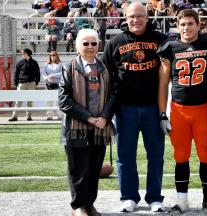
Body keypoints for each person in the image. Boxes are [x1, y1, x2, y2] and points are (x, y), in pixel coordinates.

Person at [101, 2, 168, 213]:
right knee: (125, 156)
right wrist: (107, 110)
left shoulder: (161, 40)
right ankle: (128, 197)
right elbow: (105, 76)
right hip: (125, 109)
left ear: (147, 17)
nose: (136, 20)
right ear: (125, 17)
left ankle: (155, 198)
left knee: (156, 156)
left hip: (152, 108)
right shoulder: (115, 42)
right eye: (132, 17)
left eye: (140, 16)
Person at [157, 9, 207, 214]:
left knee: (206, 156)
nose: (186, 28)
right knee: (181, 156)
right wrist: (163, 114)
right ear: (177, 26)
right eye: (182, 24)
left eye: (190, 23)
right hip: (179, 110)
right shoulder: (170, 47)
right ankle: (182, 201)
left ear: (198, 25)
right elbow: (163, 84)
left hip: (203, 109)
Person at [59, 28, 117, 216]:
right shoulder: (69, 68)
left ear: (99, 45)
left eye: (93, 43)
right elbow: (64, 101)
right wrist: (89, 117)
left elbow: (113, 95)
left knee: (93, 169)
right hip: (76, 129)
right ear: (77, 46)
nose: (90, 46)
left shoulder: (105, 69)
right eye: (85, 43)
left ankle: (89, 204)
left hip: (100, 128)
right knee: (78, 170)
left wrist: (105, 117)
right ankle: (78, 206)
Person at [8, 48, 40, 122]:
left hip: (31, 83)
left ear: (28, 53)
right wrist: (16, 83)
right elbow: (16, 73)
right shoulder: (20, 62)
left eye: (23, 53)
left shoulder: (34, 63)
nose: (22, 54)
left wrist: (36, 82)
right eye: (22, 53)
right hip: (21, 83)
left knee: (29, 100)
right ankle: (14, 116)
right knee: (18, 100)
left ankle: (29, 116)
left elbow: (37, 74)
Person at [42, 51, 63, 120]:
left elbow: (61, 73)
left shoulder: (60, 64)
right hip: (48, 85)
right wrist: (47, 78)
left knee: (58, 100)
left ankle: (59, 115)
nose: (53, 57)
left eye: (54, 55)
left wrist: (52, 75)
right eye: (51, 55)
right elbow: (43, 74)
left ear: (56, 56)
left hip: (57, 85)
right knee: (49, 101)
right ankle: (49, 115)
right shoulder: (46, 64)